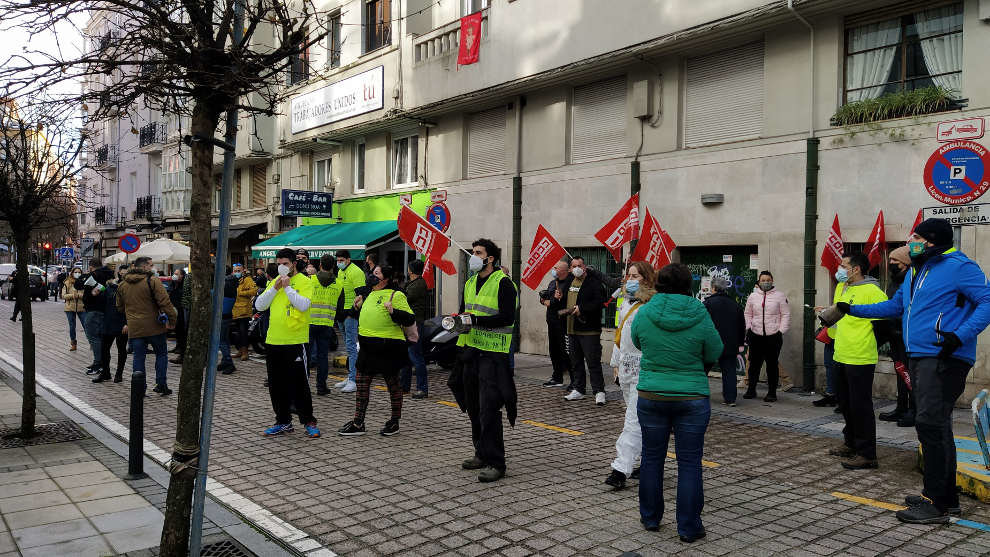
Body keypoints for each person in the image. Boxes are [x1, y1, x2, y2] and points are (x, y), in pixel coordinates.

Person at [840, 218, 990, 523]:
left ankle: (936, 505)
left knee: (929, 424)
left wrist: (960, 335)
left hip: (945, 356)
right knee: (936, 426)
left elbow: (987, 301)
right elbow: (895, 307)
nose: (911, 242)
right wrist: (852, 310)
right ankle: (944, 497)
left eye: (917, 237)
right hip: (920, 356)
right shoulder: (916, 272)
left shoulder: (960, 266)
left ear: (933, 240)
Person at [632, 263, 722, 541]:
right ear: (688, 285)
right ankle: (689, 527)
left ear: (658, 284)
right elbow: (715, 349)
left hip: (651, 394)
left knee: (651, 458)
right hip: (691, 396)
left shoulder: (645, 312)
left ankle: (650, 518)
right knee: (690, 463)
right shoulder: (700, 312)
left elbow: (637, 341)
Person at [448, 239, 518, 483]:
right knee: (473, 407)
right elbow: (464, 313)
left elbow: (508, 317)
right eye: (472, 252)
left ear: (490, 258)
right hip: (470, 351)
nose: (473, 257)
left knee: (489, 409)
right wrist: (455, 323)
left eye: (478, 253)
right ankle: (480, 451)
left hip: (493, 355)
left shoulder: (504, 283)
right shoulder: (469, 282)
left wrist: (475, 321)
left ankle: (496, 462)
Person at [824, 253, 887, 471]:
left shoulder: (873, 291)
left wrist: (866, 342)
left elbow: (884, 324)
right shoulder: (844, 288)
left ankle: (867, 454)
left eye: (843, 266)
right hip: (840, 353)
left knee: (861, 406)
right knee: (846, 404)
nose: (839, 270)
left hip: (860, 357)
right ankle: (850, 443)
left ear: (856, 269)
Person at [338, 264, 415, 436]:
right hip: (367, 348)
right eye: (372, 273)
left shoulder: (396, 294)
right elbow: (361, 316)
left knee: (393, 386)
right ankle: (358, 423)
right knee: (362, 384)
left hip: (388, 347)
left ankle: (394, 422)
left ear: (385, 278)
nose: (372, 276)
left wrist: (393, 311)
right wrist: (355, 308)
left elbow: (410, 318)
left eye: (376, 273)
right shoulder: (369, 294)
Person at [255, 248, 319, 438]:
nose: (282, 267)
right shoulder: (273, 282)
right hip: (274, 340)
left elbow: (303, 305)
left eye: (286, 264)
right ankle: (283, 421)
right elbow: (259, 305)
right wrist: (275, 288)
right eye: (279, 264)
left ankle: (308, 421)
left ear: (293, 264)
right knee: (277, 384)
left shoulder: (305, 282)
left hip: (296, 341)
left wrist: (288, 287)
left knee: (299, 384)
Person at [604, 261, 656, 490]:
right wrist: (615, 364)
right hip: (626, 367)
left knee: (632, 421)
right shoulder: (625, 302)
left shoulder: (652, 304)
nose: (630, 279)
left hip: (643, 369)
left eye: (636, 275)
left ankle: (620, 468)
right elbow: (620, 334)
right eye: (629, 275)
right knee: (641, 421)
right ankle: (648, 463)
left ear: (646, 278)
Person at [117, 257, 178, 395]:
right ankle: (161, 384)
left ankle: (140, 389)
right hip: (154, 326)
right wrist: (173, 321)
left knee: (138, 357)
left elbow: (119, 307)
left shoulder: (123, 284)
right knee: (161, 354)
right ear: (144, 267)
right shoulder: (152, 281)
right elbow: (165, 302)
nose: (153, 268)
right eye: (151, 265)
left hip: (135, 328)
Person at [877, 246, 915, 428]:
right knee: (901, 372)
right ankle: (901, 407)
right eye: (890, 260)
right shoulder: (894, 282)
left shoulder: (911, 281)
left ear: (906, 264)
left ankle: (913, 410)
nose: (890, 263)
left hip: (906, 335)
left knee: (911, 374)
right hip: (894, 334)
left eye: (895, 261)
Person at [562, 256, 608, 405]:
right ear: (570, 269)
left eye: (580, 265)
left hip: (589, 329)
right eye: (574, 266)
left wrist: (582, 308)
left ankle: (599, 391)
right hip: (572, 329)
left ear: (585, 266)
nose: (577, 268)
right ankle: (578, 389)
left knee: (593, 362)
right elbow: (565, 299)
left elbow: (599, 302)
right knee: (575, 362)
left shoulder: (594, 283)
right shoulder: (569, 281)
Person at [743, 270, 790, 402]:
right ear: (759, 281)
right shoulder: (752, 296)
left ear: (772, 280)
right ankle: (751, 389)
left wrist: (780, 330)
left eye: (768, 280)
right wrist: (748, 327)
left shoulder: (780, 296)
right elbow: (747, 313)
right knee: (754, 365)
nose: (766, 282)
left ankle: (771, 392)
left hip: (773, 336)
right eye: (763, 280)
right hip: (755, 335)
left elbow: (785, 314)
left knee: (772, 365)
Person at [704, 277, 746, 406]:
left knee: (702, 370)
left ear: (713, 288)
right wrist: (740, 343)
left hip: (711, 343)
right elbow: (741, 326)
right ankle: (730, 399)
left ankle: (699, 394)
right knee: (729, 372)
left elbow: (702, 325)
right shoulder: (735, 304)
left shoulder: (707, 304)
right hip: (730, 344)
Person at [334, 250, 368, 393]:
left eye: (342, 259)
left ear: (348, 259)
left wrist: (352, 313)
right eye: (338, 260)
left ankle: (354, 380)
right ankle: (350, 376)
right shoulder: (341, 272)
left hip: (350, 315)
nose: (339, 262)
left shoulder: (356, 272)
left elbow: (362, 295)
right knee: (348, 347)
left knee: (352, 347)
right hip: (342, 314)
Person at [75, 258, 114, 375]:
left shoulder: (93, 275)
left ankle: (98, 363)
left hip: (93, 310)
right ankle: (100, 362)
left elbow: (78, 285)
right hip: (104, 310)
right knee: (99, 337)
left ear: (91, 267)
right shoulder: (108, 275)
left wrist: (85, 275)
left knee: (94, 337)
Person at [310, 255, 341, 395]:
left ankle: (303, 386)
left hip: (309, 323)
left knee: (306, 355)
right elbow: (340, 308)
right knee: (323, 357)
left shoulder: (310, 280)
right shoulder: (339, 284)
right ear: (333, 266)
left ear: (320, 265)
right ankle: (321, 387)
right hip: (327, 324)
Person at [399, 259, 430, 399]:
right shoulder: (412, 283)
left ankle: (422, 388)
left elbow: (405, 299)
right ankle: (404, 386)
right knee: (405, 356)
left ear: (411, 270)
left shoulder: (418, 284)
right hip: (408, 322)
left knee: (416, 356)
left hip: (415, 324)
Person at [539, 260, 572, 388]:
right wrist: (544, 300)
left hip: (563, 323)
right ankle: (557, 377)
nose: (553, 269)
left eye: (556, 267)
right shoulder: (553, 282)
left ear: (564, 270)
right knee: (554, 351)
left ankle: (575, 381)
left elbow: (565, 303)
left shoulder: (570, 283)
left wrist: (553, 301)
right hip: (551, 322)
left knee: (566, 352)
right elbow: (545, 297)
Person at [95, 265, 129, 384]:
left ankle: (119, 374)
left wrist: (127, 323)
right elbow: (100, 301)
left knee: (121, 349)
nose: (123, 274)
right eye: (122, 272)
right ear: (118, 272)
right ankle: (105, 372)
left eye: (126, 272)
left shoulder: (130, 287)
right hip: (108, 322)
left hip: (122, 323)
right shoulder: (109, 286)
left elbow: (131, 307)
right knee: (104, 349)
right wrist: (98, 291)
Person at [231, 263, 257, 362]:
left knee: (243, 332)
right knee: (237, 333)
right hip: (234, 310)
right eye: (235, 270)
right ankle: (240, 350)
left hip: (244, 311)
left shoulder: (248, 280)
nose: (237, 272)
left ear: (243, 270)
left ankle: (245, 352)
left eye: (239, 270)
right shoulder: (233, 280)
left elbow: (254, 291)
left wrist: (241, 293)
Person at [217, 266, 237, 374]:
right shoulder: (232, 282)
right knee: (225, 340)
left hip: (222, 315)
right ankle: (225, 360)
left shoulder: (224, 284)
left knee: (221, 341)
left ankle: (229, 362)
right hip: (227, 314)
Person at [62, 267, 86, 351]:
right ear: (72, 273)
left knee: (86, 325)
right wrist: (72, 295)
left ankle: (92, 342)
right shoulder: (67, 282)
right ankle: (73, 344)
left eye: (79, 272)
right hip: (70, 307)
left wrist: (79, 295)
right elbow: (63, 295)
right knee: (72, 326)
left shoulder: (84, 282)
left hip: (81, 307)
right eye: (75, 272)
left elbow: (87, 295)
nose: (77, 273)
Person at [168, 268, 186, 360]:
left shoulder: (184, 285)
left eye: (177, 274)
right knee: (177, 331)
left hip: (181, 310)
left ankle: (182, 353)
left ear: (182, 276)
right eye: (174, 274)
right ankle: (178, 347)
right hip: (174, 309)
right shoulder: (173, 284)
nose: (175, 275)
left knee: (181, 330)